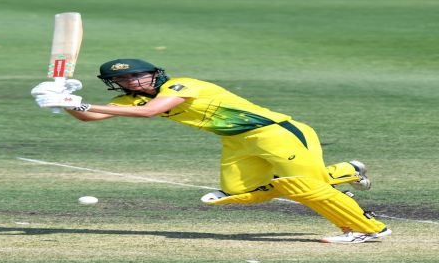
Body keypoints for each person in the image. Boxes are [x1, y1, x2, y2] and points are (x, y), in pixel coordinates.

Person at [31, 58, 391, 243]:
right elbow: (91, 118)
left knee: (306, 188)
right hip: (236, 143)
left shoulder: (183, 85)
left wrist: (74, 101)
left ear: (153, 75)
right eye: (122, 81)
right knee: (234, 194)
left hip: (276, 134)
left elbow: (149, 113)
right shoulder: (134, 98)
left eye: (135, 78)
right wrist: (63, 102)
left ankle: (367, 229)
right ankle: (345, 171)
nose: (129, 84)